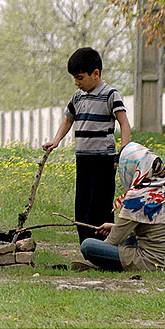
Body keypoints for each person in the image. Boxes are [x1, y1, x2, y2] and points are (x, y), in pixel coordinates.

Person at [43, 47, 131, 244]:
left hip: (104, 159)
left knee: (100, 204)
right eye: (75, 78)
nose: (77, 82)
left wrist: (123, 153)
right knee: (82, 204)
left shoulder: (110, 95)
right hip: (83, 158)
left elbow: (124, 123)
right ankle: (86, 246)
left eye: (80, 77)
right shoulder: (78, 96)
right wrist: (56, 140)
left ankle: (104, 248)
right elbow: (68, 119)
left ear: (96, 74)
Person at [75, 142, 165, 272]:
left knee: (88, 246)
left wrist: (97, 255)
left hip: (153, 262)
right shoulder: (161, 193)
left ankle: (99, 266)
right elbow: (150, 228)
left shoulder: (137, 198)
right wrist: (115, 228)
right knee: (130, 240)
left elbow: (113, 241)